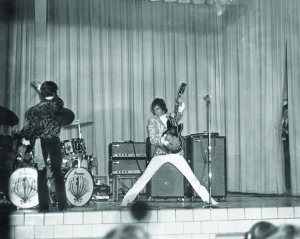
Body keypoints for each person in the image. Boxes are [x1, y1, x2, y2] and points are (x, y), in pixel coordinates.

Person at [120, 97, 218, 206]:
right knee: (145, 176)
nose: (155, 111)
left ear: (162, 108)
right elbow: (152, 139)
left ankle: (208, 199)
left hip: (175, 153)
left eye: (157, 109)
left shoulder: (170, 117)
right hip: (160, 153)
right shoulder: (152, 120)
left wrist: (181, 105)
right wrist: (163, 140)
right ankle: (127, 199)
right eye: (154, 109)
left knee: (191, 176)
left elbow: (179, 115)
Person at [15, 81, 69, 211]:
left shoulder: (34, 110)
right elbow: (56, 99)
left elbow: (30, 128)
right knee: (58, 173)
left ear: (42, 93)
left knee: (41, 173)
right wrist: (42, 89)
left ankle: (44, 207)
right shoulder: (59, 105)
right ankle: (63, 205)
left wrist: (21, 136)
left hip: (40, 142)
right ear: (55, 91)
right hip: (54, 141)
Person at [281, 104, 291, 196]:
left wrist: (286, 131)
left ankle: (288, 186)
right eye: (285, 112)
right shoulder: (280, 121)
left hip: (287, 145)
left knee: (287, 166)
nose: (286, 114)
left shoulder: (292, 123)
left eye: (288, 112)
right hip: (280, 145)